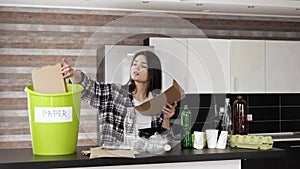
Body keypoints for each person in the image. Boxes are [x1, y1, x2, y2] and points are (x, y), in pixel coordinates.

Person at [61, 50, 177, 147]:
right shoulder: (115, 93)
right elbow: (87, 86)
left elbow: (164, 142)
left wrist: (166, 118)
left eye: (143, 66)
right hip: (117, 161)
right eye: (134, 64)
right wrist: (73, 74)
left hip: (145, 161)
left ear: (153, 72)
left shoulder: (157, 101)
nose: (136, 68)